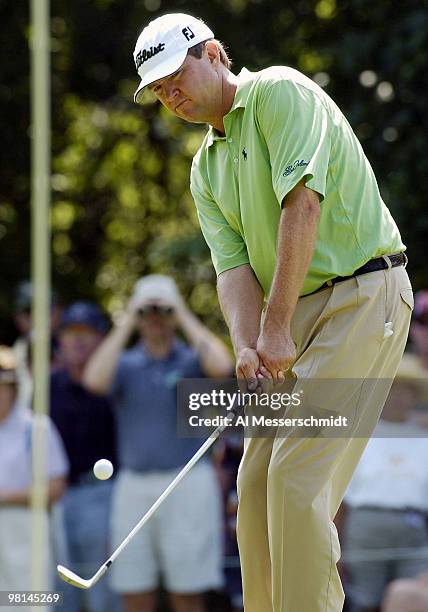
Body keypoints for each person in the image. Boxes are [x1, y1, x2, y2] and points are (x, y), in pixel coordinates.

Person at [131, 13, 414, 612]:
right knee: (255, 482)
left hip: (364, 296)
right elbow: (232, 271)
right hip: (295, 311)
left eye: (175, 76)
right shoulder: (204, 166)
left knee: (295, 478)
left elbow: (302, 207)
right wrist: (246, 343)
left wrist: (276, 326)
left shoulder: (278, 92)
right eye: (159, 90)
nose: (171, 95)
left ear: (213, 54)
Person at [83, 274, 234, 612]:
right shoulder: (125, 364)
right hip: (133, 485)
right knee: (134, 590)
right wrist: (128, 321)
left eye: (161, 310)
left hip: (187, 483)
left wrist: (179, 312)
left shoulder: (191, 359)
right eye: (146, 312)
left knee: (188, 592)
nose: (154, 318)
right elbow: (93, 379)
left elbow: (222, 365)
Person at [341, 354, 428, 612]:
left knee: (412, 594)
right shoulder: (358, 435)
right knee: (365, 598)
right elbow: (341, 497)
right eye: (392, 389)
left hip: (414, 525)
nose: (399, 397)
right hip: (365, 525)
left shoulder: (423, 437)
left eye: (406, 391)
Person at [50, 302, 121, 612]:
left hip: (103, 494)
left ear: (102, 339)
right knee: (61, 592)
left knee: (103, 592)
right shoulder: (48, 387)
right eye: (70, 333)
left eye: (86, 333)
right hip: (58, 499)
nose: (77, 340)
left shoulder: (114, 384)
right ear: (60, 340)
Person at [0, 346, 68, 596]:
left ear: (14, 389)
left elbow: (55, 488)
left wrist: (5, 497)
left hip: (25, 527)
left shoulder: (37, 428)